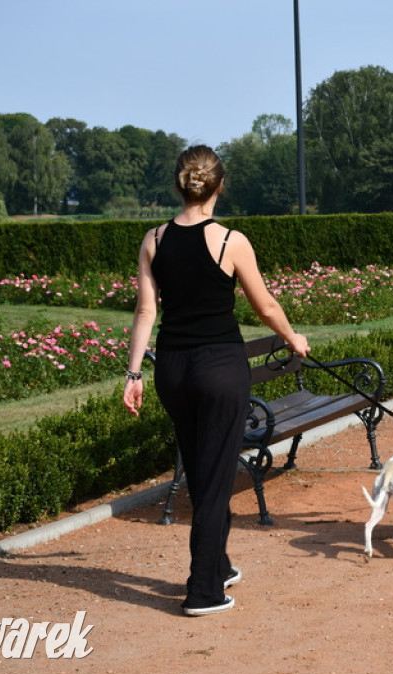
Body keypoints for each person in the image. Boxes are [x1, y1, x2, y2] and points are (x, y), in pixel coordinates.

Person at [122, 145, 310, 616]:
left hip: (172, 369)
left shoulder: (154, 239)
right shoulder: (231, 241)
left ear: (179, 184)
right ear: (219, 186)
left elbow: (146, 311)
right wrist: (293, 338)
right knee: (215, 477)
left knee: (204, 468)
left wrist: (132, 372)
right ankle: (203, 590)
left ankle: (218, 564)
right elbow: (264, 306)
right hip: (221, 368)